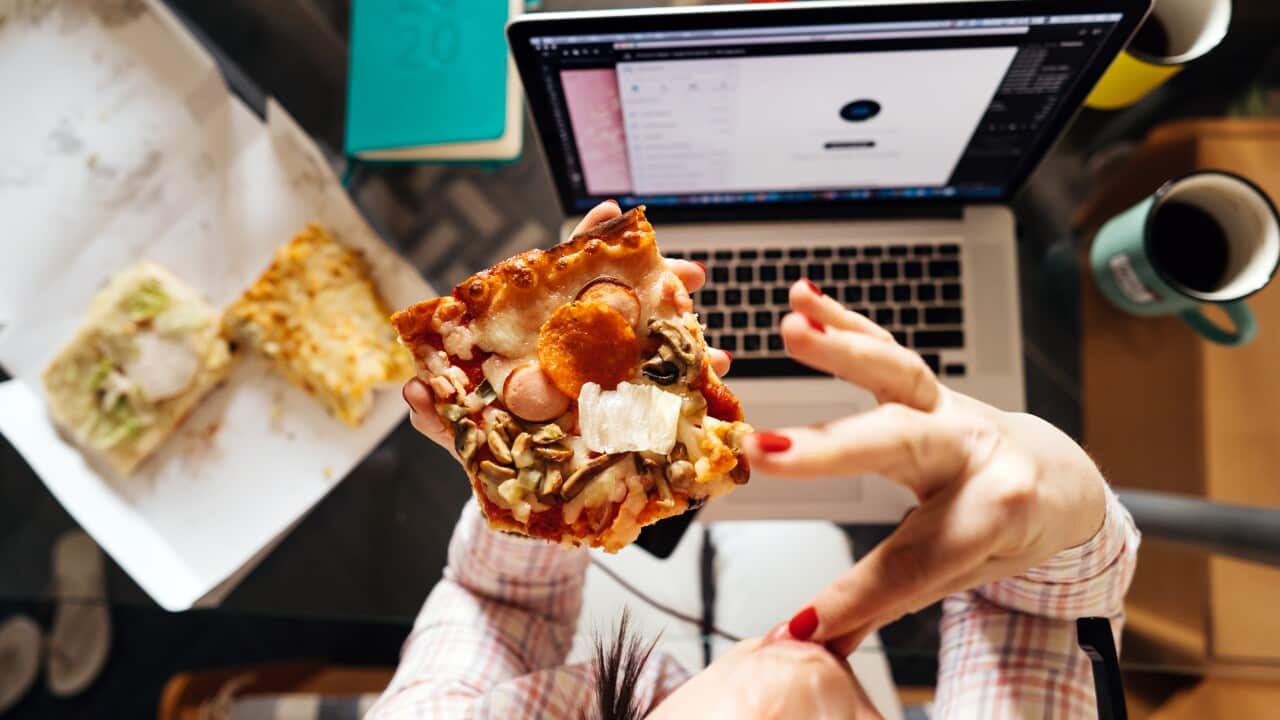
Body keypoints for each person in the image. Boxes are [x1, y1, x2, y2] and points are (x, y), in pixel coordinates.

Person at [368, 203, 1139, 719]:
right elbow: (1036, 626)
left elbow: (500, 607)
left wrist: (535, 486)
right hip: (793, 567)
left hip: (620, 592)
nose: (793, 685)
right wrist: (1059, 498)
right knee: (794, 547)